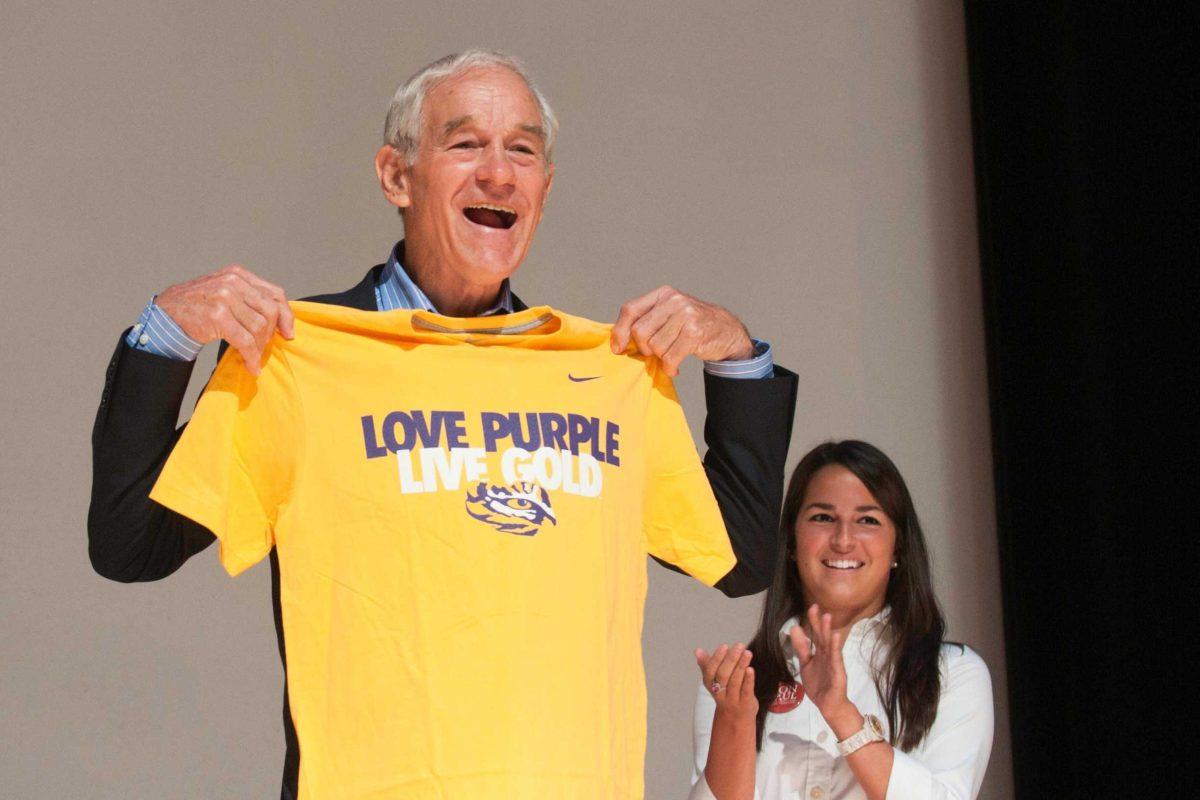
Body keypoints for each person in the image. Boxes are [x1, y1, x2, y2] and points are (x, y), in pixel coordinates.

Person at [89, 50, 798, 798]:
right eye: (467, 144)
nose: (499, 172)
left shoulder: (604, 374)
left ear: (544, 190)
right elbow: (131, 544)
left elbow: (740, 560)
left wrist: (738, 357)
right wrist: (166, 334)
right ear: (397, 176)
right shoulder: (301, 361)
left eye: (522, 151)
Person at [690, 441, 994, 800]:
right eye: (823, 517)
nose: (843, 540)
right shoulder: (739, 681)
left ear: (898, 547)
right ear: (791, 541)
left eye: (868, 520)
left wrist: (840, 712)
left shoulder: (953, 673)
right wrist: (735, 722)